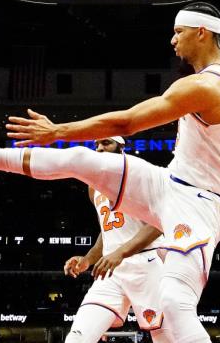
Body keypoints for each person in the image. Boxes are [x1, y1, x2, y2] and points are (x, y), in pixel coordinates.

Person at [0, 2, 220, 342]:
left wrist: (56, 131)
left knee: (176, 303)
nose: (172, 40)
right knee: (82, 161)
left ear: (202, 32)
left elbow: (128, 123)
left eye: (178, 32)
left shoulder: (205, 87)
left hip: (201, 203)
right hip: (169, 183)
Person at [63, 136, 169, 342]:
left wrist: (120, 253)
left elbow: (159, 224)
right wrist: (87, 260)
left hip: (147, 265)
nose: (100, 149)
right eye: (96, 145)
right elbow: (107, 230)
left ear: (121, 147)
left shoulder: (140, 174)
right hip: (112, 271)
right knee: (78, 337)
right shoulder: (92, 186)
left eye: (106, 143)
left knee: (167, 338)